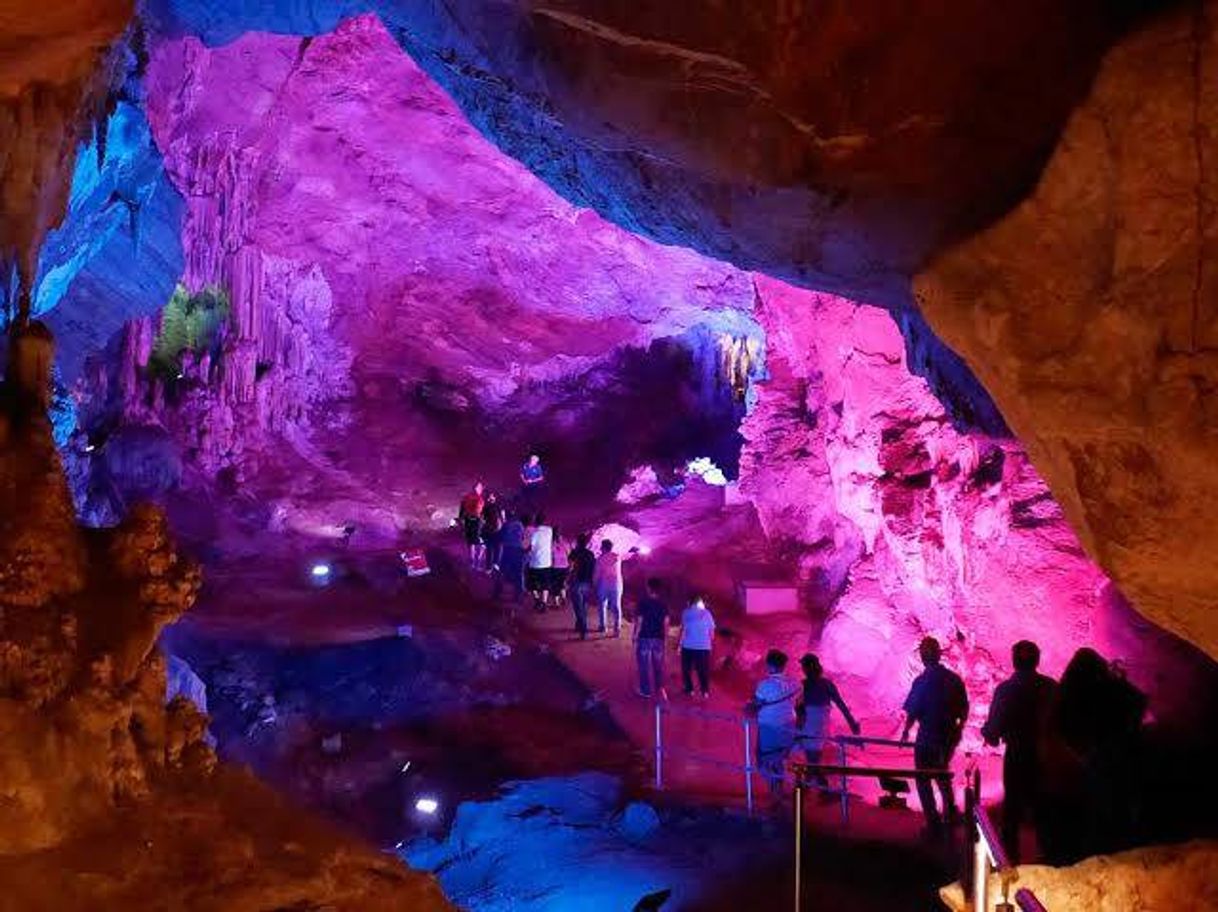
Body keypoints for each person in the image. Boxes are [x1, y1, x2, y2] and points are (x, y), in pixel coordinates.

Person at [981, 640, 1057, 864]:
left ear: (1014, 661)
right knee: (1044, 807)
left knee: (1012, 809)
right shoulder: (1051, 687)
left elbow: (994, 729)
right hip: (1045, 755)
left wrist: (989, 733)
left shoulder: (1006, 690)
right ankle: (1049, 858)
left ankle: (1009, 861)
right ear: (1037, 660)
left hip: (1017, 753)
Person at [901, 636, 969, 837]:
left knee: (923, 778)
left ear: (922, 657)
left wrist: (906, 730)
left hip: (927, 737)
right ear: (939, 655)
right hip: (946, 737)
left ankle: (933, 822)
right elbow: (963, 709)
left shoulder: (921, 681)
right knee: (942, 774)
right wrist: (957, 730)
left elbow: (913, 710)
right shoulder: (954, 679)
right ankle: (950, 814)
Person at [797, 654, 861, 790]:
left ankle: (814, 789)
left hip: (810, 725)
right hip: (821, 724)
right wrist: (852, 724)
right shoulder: (826, 684)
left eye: (803, 666)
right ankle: (811, 789)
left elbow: (799, 710)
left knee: (812, 761)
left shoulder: (803, 685)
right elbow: (841, 705)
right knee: (812, 761)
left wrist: (798, 728)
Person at [749, 649, 801, 798]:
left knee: (763, 758)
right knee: (780, 758)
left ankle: (775, 791)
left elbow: (757, 703)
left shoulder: (764, 685)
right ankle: (779, 789)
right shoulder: (794, 683)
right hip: (788, 724)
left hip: (769, 726)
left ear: (769, 665)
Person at [633, 578, 669, 699]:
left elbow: (639, 620)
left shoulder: (643, 602)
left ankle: (646, 690)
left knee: (643, 665)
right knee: (658, 665)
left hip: (645, 637)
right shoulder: (663, 604)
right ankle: (660, 688)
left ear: (648, 588)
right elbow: (666, 622)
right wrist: (665, 638)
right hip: (658, 638)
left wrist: (635, 635)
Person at [677, 595, 715, 697]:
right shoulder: (707, 613)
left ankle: (689, 690)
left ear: (690, 602)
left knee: (687, 669)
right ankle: (705, 691)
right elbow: (711, 631)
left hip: (688, 646)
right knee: (703, 670)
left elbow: (684, 631)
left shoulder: (686, 612)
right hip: (703, 647)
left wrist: (679, 646)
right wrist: (709, 642)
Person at [567, 533, 596, 640]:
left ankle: (583, 630)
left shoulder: (574, 553)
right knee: (583, 606)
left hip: (576, 583)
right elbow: (594, 569)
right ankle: (579, 626)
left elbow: (570, 566)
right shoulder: (590, 554)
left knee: (578, 608)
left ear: (578, 542)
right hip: (587, 583)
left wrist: (566, 579)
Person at [594, 539, 626, 636]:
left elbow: (596, 573)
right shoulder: (617, 556)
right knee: (616, 606)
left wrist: (594, 583)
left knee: (602, 605)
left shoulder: (600, 559)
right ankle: (617, 629)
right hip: (616, 584)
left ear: (603, 547)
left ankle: (603, 626)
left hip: (603, 584)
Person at [494, 511, 527, 605]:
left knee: (502, 572)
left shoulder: (506, 525)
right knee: (519, 574)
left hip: (508, 550)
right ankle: (518, 596)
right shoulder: (520, 525)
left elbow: (500, 537)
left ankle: (497, 592)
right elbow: (523, 537)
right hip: (519, 551)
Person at [525, 513, 554, 612]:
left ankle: (537, 600)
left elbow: (528, 547)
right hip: (547, 562)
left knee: (531, 583)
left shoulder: (534, 533)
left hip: (535, 562)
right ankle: (544, 603)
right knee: (545, 584)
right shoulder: (549, 530)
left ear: (536, 521)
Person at [458, 482, 485, 570]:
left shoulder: (466, 497)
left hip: (468, 521)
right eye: (480, 488)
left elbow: (461, 511)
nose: (482, 489)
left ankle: (472, 562)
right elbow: (482, 512)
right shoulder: (480, 499)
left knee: (471, 542)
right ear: (477, 489)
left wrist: (461, 520)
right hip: (476, 522)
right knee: (482, 543)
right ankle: (477, 562)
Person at [481, 492, 504, 571]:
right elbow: (482, 519)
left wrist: (502, 525)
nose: (490, 498)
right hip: (490, 530)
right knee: (490, 549)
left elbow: (502, 518)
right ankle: (489, 567)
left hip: (497, 530)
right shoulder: (486, 507)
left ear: (495, 497)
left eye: (492, 496)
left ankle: (495, 565)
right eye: (489, 496)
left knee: (497, 548)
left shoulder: (498, 506)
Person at [548, 526, 570, 608]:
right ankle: (563, 598)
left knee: (556, 585)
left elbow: (550, 555)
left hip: (555, 566)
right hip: (565, 566)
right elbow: (569, 553)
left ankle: (557, 603)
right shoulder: (565, 542)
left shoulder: (551, 543)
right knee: (562, 583)